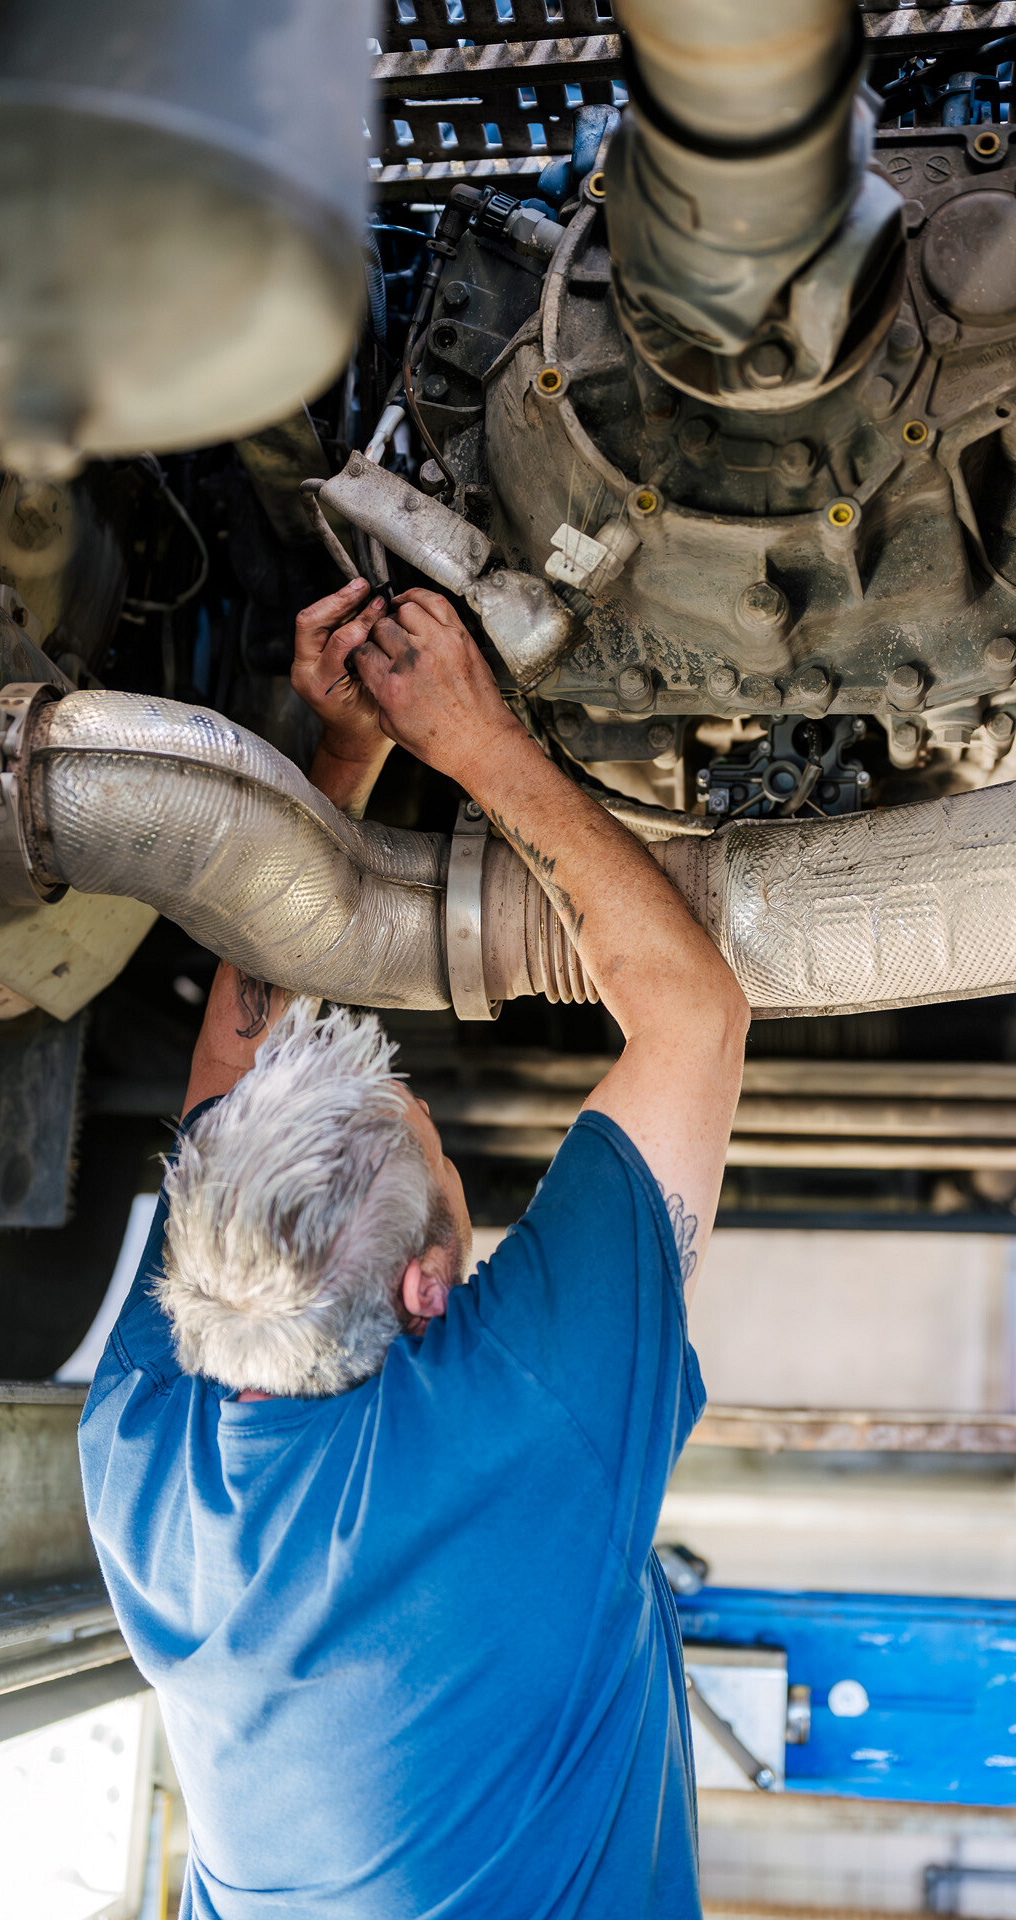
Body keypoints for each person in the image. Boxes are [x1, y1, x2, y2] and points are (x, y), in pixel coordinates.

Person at [79, 576, 749, 1920]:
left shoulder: (503, 1420)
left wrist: (360, 753)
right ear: (422, 1287)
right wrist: (467, 739)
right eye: (423, 1132)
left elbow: (691, 1017)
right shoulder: (133, 1452)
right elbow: (690, 1008)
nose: (431, 1114)